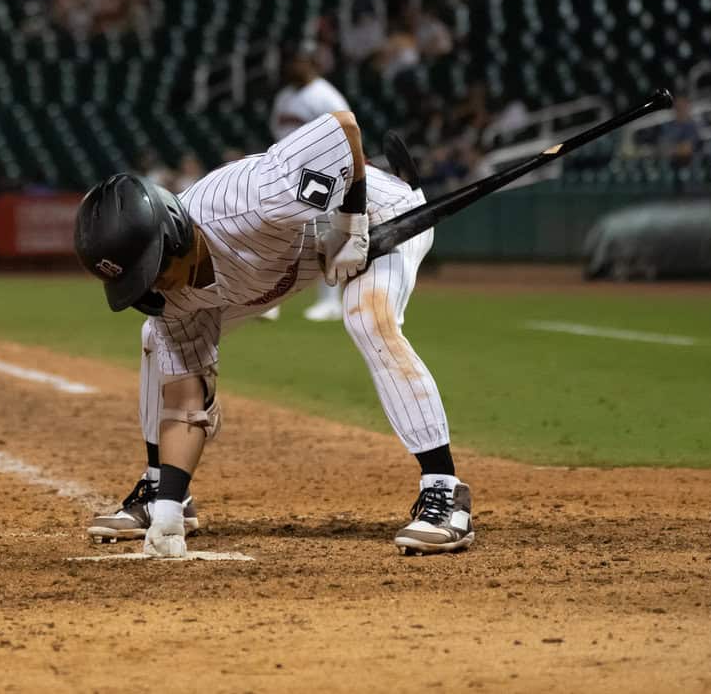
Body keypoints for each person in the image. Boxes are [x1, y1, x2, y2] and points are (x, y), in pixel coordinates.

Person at [75, 111, 473, 558]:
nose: (153, 287)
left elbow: (342, 129)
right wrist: (170, 505)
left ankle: (445, 493)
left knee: (368, 317)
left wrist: (350, 221)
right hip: (276, 266)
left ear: (175, 232)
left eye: (153, 270)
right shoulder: (172, 296)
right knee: (156, 337)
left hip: (380, 216)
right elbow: (185, 404)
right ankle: (162, 494)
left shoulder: (255, 199)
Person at [263, 41, 353, 322]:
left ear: (312, 62)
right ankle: (270, 299)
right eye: (292, 60)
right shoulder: (285, 96)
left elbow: (347, 132)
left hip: (321, 175)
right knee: (280, 234)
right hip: (288, 175)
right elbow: (277, 133)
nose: (293, 65)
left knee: (325, 236)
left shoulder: (326, 96)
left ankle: (330, 301)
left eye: (299, 60)